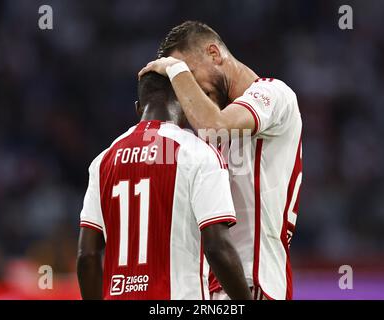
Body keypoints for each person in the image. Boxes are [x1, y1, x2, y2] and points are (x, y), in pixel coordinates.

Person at [139, 21, 303, 300]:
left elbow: (214, 125)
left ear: (214, 54)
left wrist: (174, 70)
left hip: (255, 283)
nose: (186, 91)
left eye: (189, 74)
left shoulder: (275, 94)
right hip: (211, 287)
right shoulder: (205, 137)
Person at [76, 72, 252, 300]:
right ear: (187, 100)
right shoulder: (199, 154)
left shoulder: (103, 161)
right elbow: (217, 247)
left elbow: (87, 255)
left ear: (139, 108)